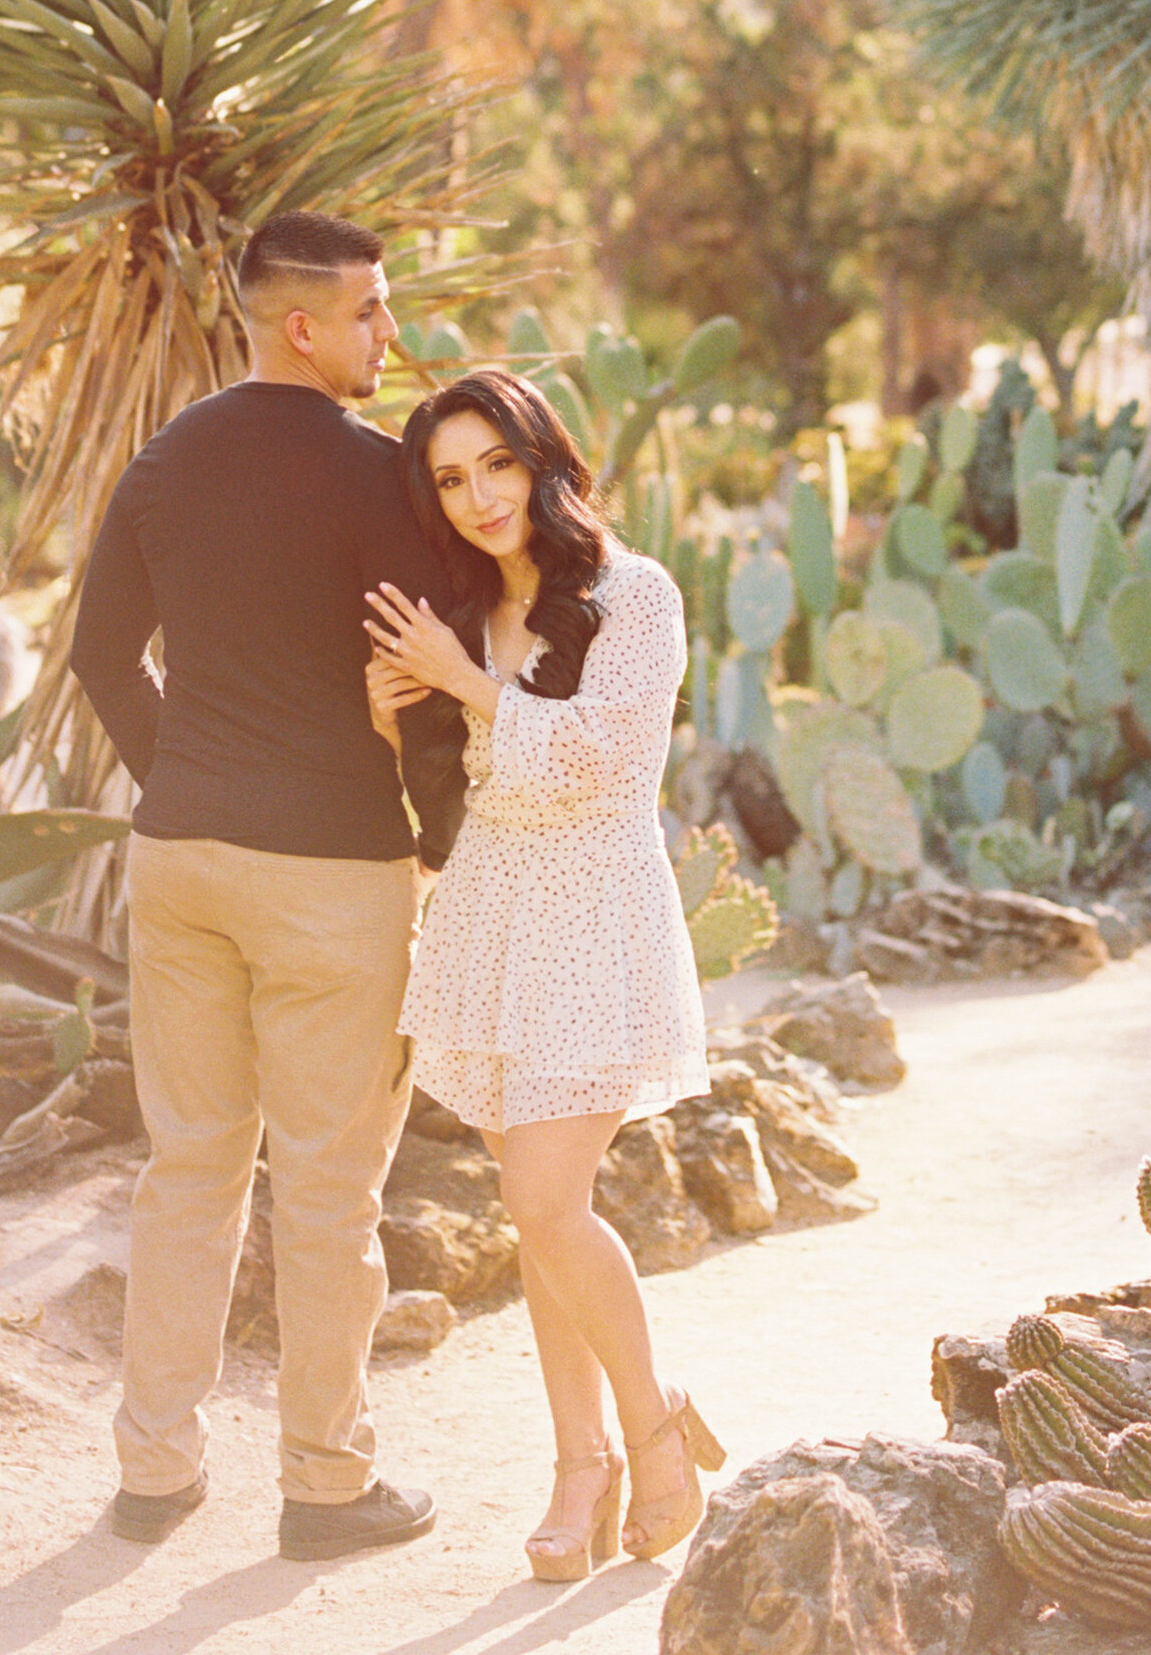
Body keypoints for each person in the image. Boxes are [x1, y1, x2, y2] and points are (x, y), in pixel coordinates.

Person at [69, 209, 464, 1559]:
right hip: (334, 874)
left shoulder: (162, 465)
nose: (387, 335)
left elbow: (99, 655)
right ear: (303, 325)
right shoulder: (380, 480)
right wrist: (444, 839)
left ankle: (155, 1474)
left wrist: (179, 774)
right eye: (369, 313)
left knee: (187, 1169)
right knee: (329, 1190)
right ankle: (326, 1487)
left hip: (179, 858)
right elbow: (420, 692)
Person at [366, 366, 724, 1583]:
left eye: (495, 465)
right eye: (450, 480)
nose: (476, 497)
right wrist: (395, 709)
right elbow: (464, 786)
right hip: (495, 917)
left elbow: (610, 769)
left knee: (543, 1202)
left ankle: (650, 1427)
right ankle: (583, 1466)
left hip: (594, 917)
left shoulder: (636, 594)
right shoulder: (463, 612)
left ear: (543, 457)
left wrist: (469, 686)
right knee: (536, 1205)